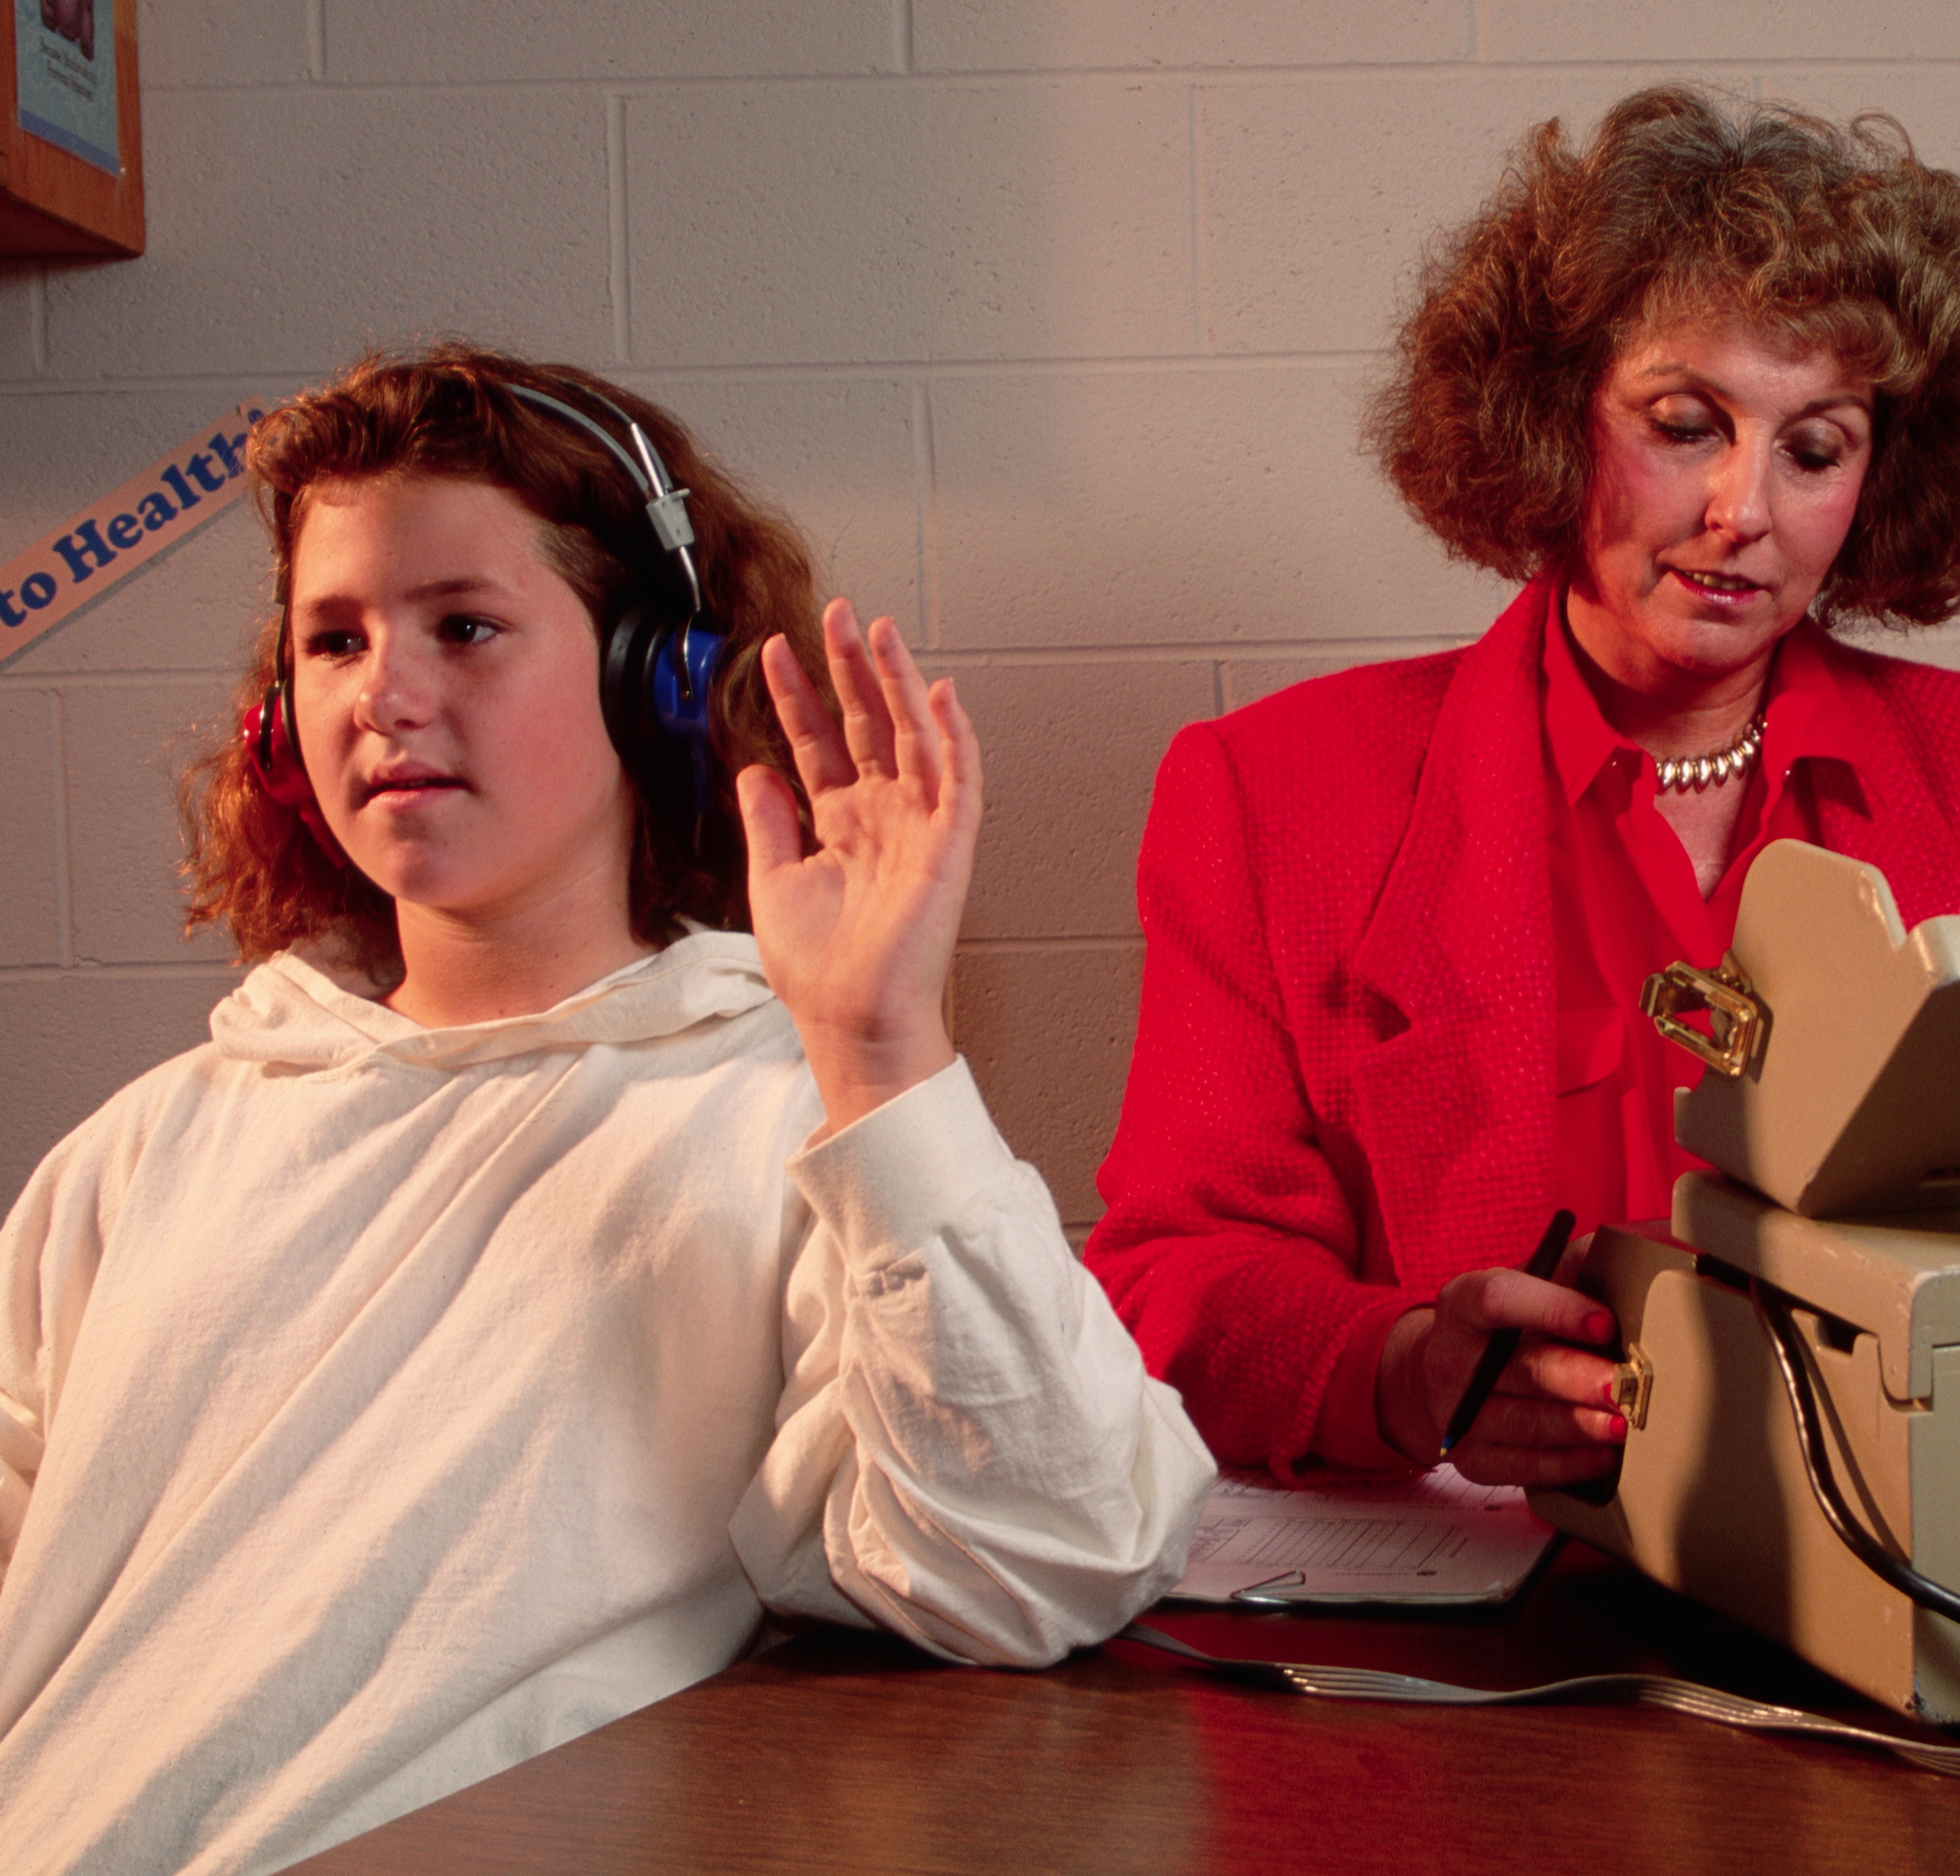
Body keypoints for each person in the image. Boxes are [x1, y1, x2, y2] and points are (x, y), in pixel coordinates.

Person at [0, 347, 1212, 1876]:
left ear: (663, 675)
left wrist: (884, 1051)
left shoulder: (798, 1122)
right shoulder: (149, 1146)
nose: (382, 694)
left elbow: (1057, 1552)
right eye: (332, 638)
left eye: (466, 626)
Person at [1084, 87, 1960, 1491]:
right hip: (1478, 1602)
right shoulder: (1273, 793)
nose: (1743, 509)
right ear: (1549, 416)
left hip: (1914, 1564)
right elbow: (1180, 1273)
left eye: (1813, 447)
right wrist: (1398, 1369)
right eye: (1684, 423)